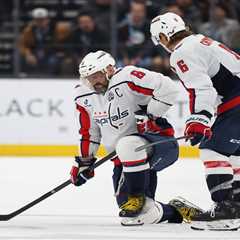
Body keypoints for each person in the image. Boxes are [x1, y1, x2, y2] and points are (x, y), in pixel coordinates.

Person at [69, 50, 200, 226]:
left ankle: (136, 196)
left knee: (127, 144)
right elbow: (89, 133)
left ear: (109, 69)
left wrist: (151, 113)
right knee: (134, 216)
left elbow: (169, 89)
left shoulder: (127, 77)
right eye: (89, 78)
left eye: (96, 75)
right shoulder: (85, 96)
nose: (93, 82)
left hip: (158, 144)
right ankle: (175, 210)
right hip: (125, 160)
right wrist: (84, 162)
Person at [150, 12, 240, 225]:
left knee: (212, 149)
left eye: (159, 40)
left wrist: (199, 120)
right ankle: (236, 205)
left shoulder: (181, 52)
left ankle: (225, 210)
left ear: (164, 36)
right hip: (234, 100)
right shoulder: (199, 40)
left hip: (236, 101)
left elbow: (202, 89)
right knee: (235, 153)